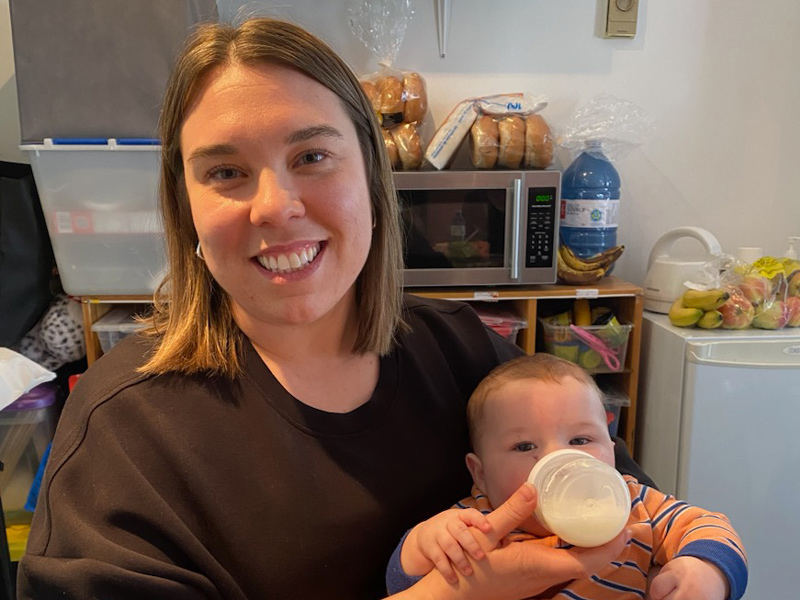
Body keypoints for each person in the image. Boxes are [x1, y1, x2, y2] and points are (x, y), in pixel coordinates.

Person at [18, 17, 645, 600]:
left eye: (311, 157)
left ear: (372, 177)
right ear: (186, 210)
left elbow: (646, 518)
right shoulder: (125, 433)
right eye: (227, 172)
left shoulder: (466, 356)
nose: (274, 206)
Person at [386, 353, 748, 599]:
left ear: (611, 448)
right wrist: (422, 545)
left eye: (580, 440)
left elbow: (709, 524)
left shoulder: (635, 504)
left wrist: (704, 571)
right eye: (525, 446)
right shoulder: (478, 525)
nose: (561, 458)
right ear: (480, 474)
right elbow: (406, 586)